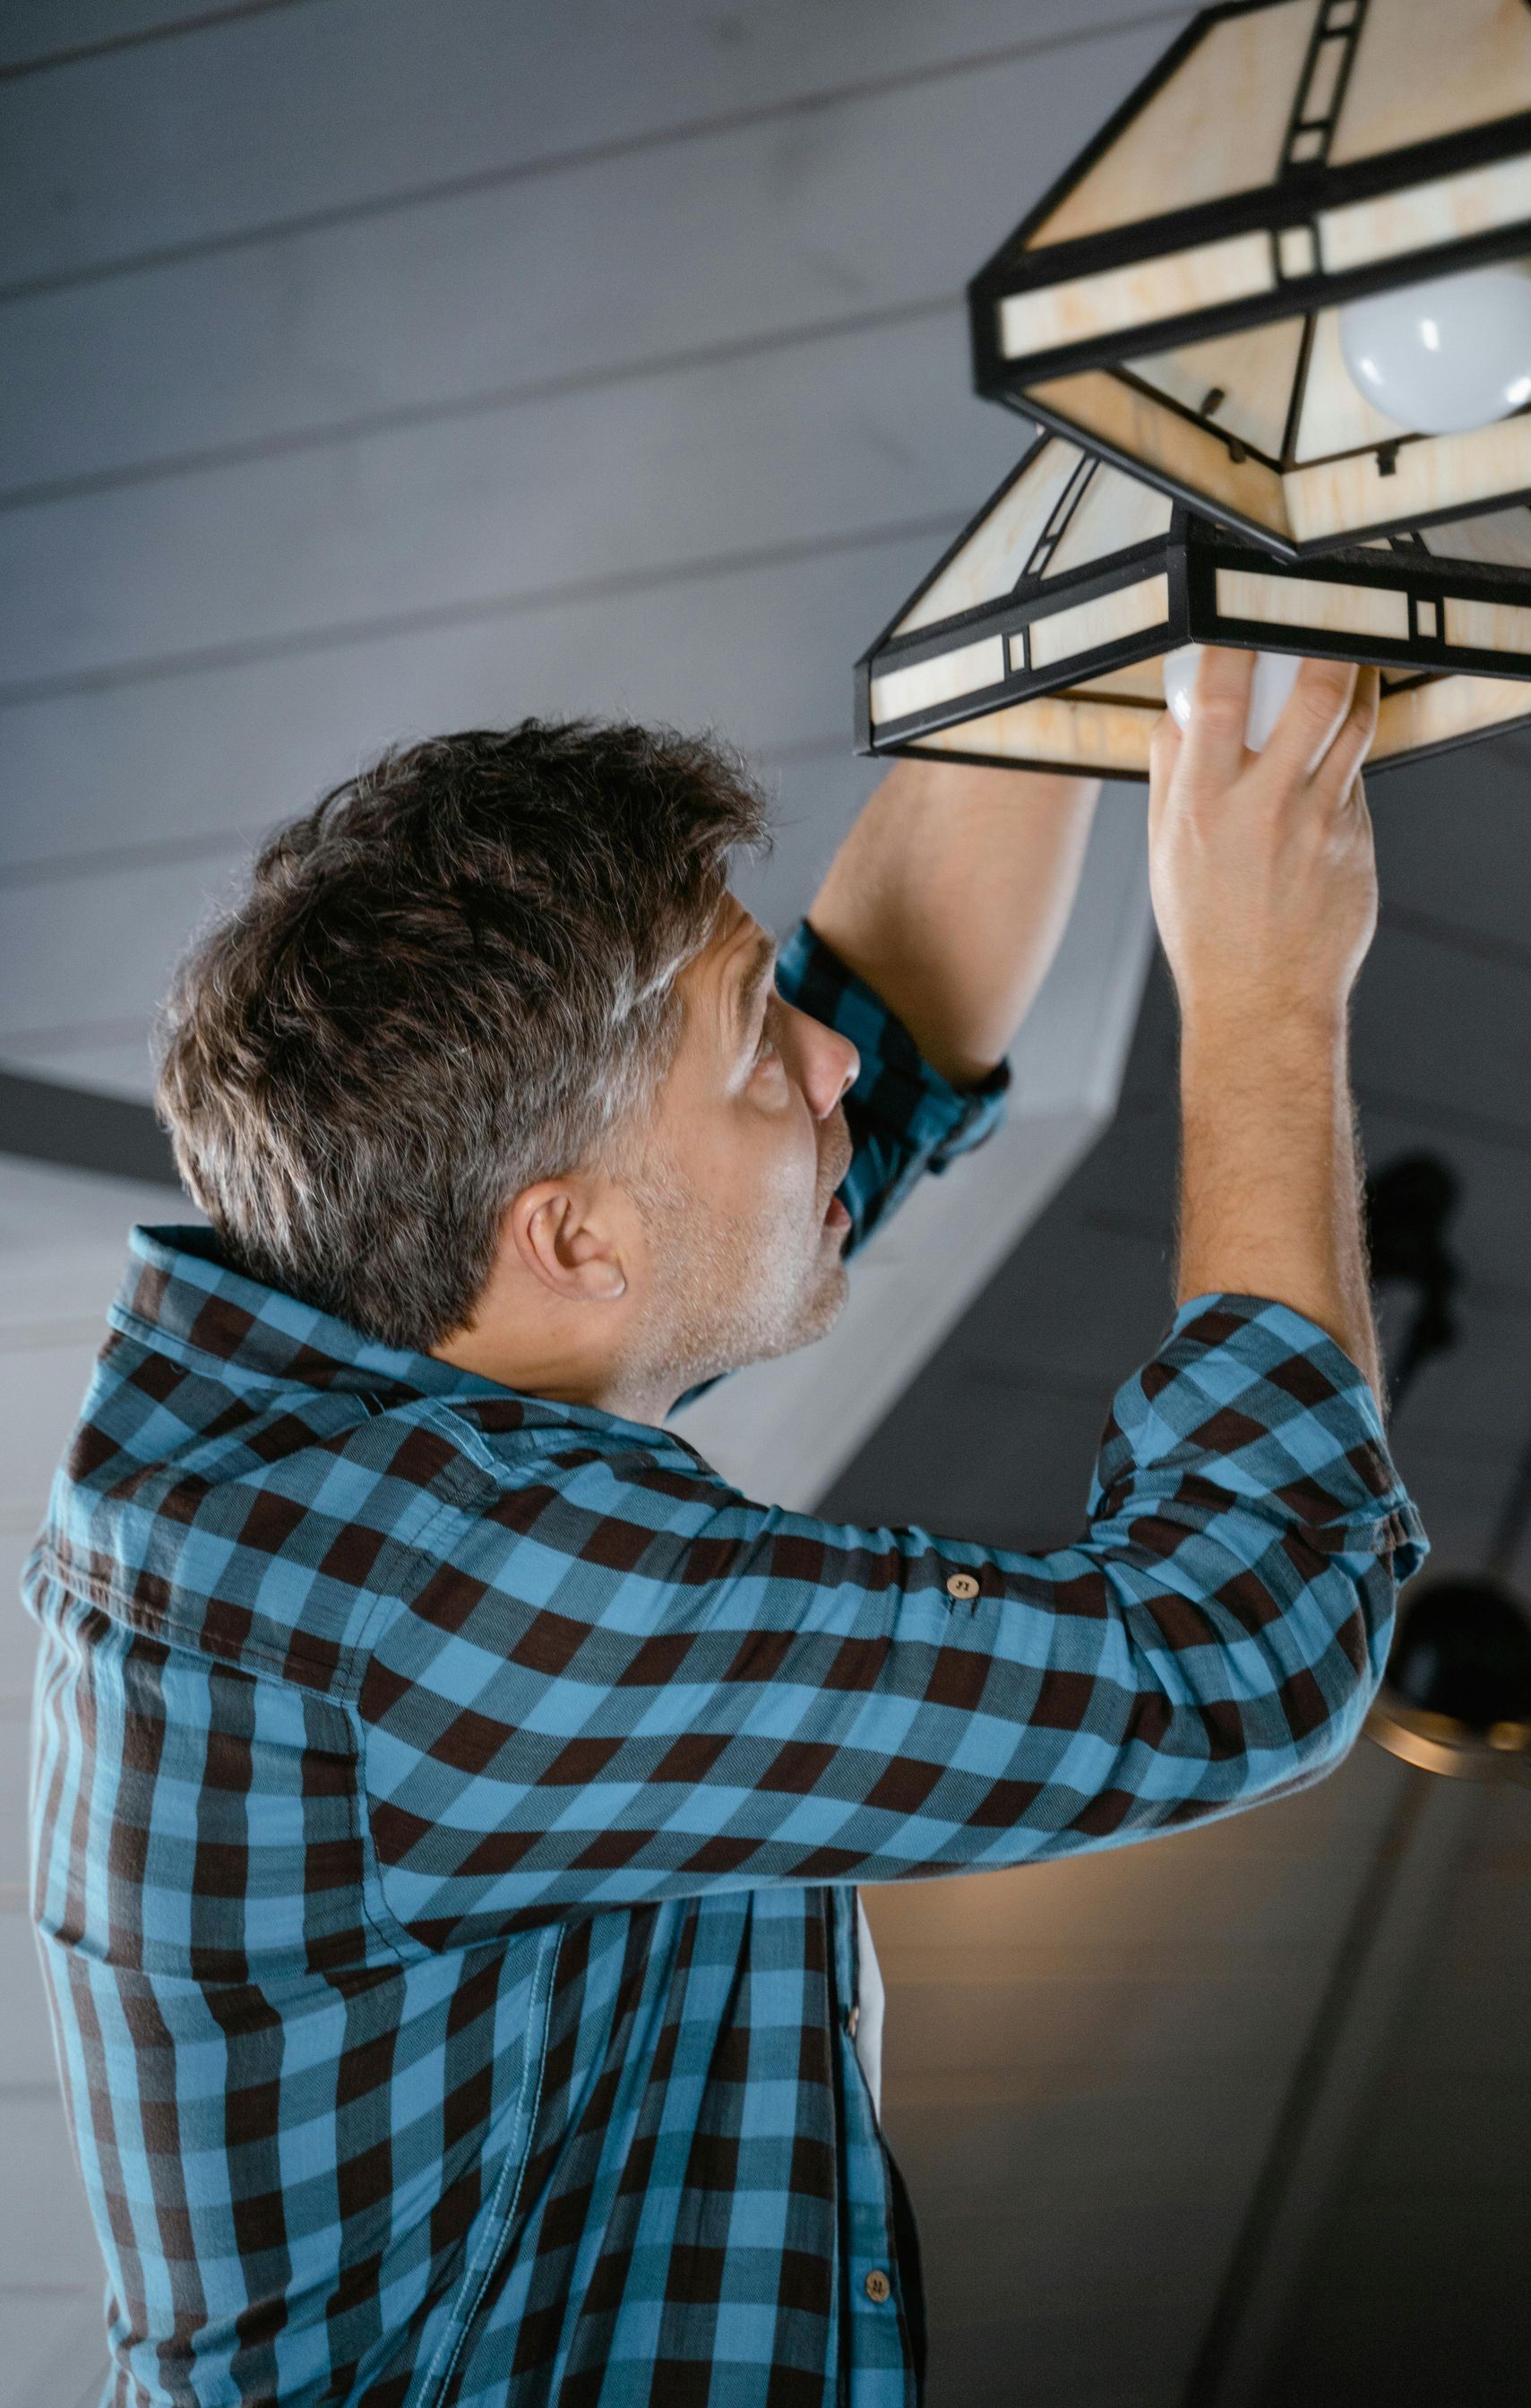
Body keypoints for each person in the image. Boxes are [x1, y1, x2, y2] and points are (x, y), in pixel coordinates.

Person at [28, 651, 1423, 2408]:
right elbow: (1239, 1651)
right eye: (763, 1048)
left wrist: (1084, 589)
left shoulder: (364, 1353)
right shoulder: (462, 1617)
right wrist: (1270, 998)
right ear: (575, 1242)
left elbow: (887, 1027)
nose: (833, 1058)